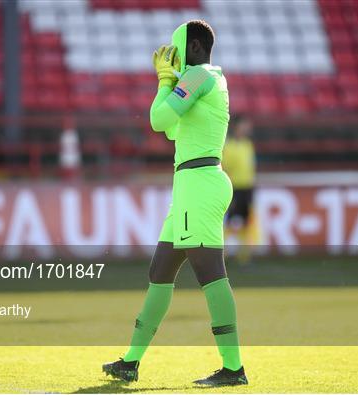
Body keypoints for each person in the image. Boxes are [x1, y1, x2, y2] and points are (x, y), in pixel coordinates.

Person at [102, 20, 247, 387]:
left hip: (198, 184)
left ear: (195, 48)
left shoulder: (198, 77)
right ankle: (130, 362)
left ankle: (234, 368)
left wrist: (164, 81)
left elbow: (157, 119)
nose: (173, 58)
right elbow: (169, 126)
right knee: (160, 271)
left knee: (211, 274)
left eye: (177, 51)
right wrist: (168, 84)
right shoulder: (203, 81)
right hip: (192, 185)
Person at [222, 114, 257, 264]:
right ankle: (220, 255)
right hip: (234, 189)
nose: (247, 128)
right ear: (236, 127)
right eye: (244, 125)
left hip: (248, 188)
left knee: (247, 222)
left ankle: (244, 257)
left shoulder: (248, 144)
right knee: (230, 222)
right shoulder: (228, 146)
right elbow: (225, 168)